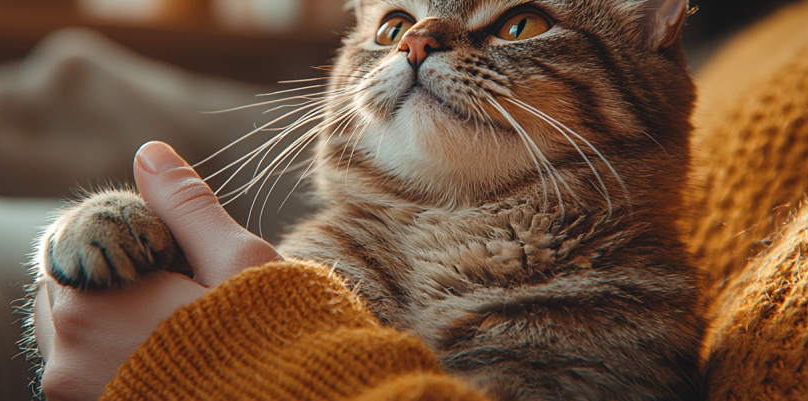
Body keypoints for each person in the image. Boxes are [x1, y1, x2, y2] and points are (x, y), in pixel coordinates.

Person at [34, 141, 488, 401]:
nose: (420, 44)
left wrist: (250, 369)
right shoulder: (344, 239)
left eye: (519, 24)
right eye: (394, 29)